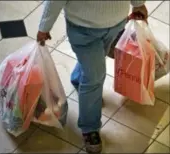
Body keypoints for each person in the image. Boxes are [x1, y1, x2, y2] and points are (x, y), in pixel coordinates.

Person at [37, 1, 148, 153]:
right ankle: (89, 128)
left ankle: (78, 78)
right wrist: (44, 27)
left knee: (94, 63)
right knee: (94, 77)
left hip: (116, 25)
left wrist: (138, 4)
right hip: (83, 30)